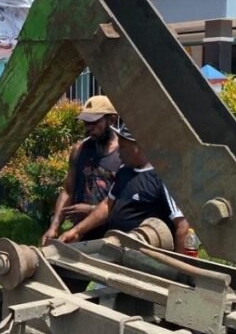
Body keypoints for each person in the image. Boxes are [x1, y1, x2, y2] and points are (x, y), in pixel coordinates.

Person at [58, 125, 191, 254]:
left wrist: (178, 270)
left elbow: (182, 225)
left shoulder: (162, 178)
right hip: (118, 251)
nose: (118, 152)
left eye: (122, 147)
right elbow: (106, 206)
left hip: (147, 259)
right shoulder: (124, 171)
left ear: (138, 147)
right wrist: (76, 231)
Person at [41, 95, 121, 244]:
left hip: (112, 235)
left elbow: (126, 203)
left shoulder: (124, 154)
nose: (88, 128)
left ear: (111, 120)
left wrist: (91, 209)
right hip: (80, 233)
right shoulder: (79, 150)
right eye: (86, 123)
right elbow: (68, 191)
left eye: (94, 122)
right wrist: (54, 227)